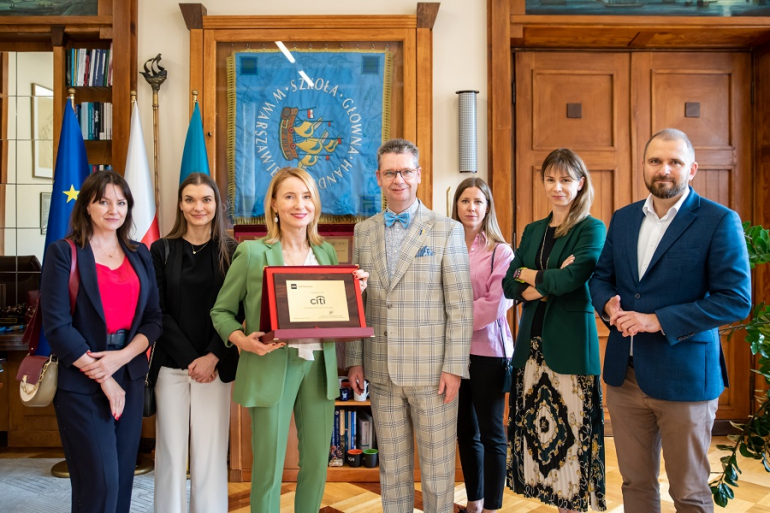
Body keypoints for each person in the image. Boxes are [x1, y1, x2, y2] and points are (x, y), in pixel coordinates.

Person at [589, 128, 751, 513]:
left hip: (686, 379)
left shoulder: (718, 221)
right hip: (625, 378)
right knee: (636, 485)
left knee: (690, 493)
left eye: (674, 162)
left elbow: (736, 300)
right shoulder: (625, 218)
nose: (665, 169)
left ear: (691, 169)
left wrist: (657, 320)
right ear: (643, 166)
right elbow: (601, 278)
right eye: (656, 161)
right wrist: (608, 308)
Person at [211, 167, 368, 513]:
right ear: (275, 206)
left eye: (307, 196)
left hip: (318, 369)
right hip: (270, 366)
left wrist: (354, 293)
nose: (300, 204)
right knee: (267, 469)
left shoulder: (326, 253)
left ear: (315, 203)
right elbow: (220, 313)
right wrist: (244, 341)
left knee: (315, 465)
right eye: (290, 196)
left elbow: (330, 311)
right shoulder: (252, 253)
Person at [347, 138, 474, 513]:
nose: (398, 179)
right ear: (378, 178)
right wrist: (356, 360)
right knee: (393, 472)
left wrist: (454, 367)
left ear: (418, 175)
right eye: (390, 173)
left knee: (436, 476)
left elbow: (461, 306)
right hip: (381, 371)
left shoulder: (446, 230)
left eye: (405, 171)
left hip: (433, 373)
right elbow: (360, 303)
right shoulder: (363, 231)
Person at [40, 170, 162, 513]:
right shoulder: (65, 253)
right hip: (82, 380)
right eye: (104, 201)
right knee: (99, 482)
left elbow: (153, 320)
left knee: (121, 481)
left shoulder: (139, 254)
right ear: (88, 206)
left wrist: (120, 359)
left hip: (130, 375)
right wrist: (105, 376)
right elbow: (58, 327)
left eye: (121, 202)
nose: (114, 209)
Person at [502, 148, 607, 512]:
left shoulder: (591, 228)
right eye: (550, 179)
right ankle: (552, 503)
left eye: (565, 180)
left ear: (580, 183)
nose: (557, 187)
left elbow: (575, 278)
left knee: (573, 437)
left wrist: (532, 277)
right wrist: (544, 279)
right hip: (531, 348)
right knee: (541, 437)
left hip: (571, 347)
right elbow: (508, 284)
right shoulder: (533, 230)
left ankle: (574, 507)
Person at [150, 172, 239, 513]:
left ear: (217, 205)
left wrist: (212, 357)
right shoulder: (162, 250)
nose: (198, 207)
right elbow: (158, 311)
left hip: (214, 368)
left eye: (206, 199)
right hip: (172, 366)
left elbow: (237, 312)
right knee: (171, 452)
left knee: (210, 453)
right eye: (190, 199)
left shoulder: (232, 251)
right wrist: (191, 359)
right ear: (180, 205)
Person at [451, 177, 514, 513]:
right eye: (465, 201)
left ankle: (492, 507)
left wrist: (453, 319)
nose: (471, 207)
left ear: (487, 207)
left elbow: (496, 303)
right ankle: (474, 503)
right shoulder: (446, 245)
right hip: (452, 354)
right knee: (465, 432)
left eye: (478, 201)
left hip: (488, 352)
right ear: (456, 206)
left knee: (491, 433)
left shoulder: (501, 251)